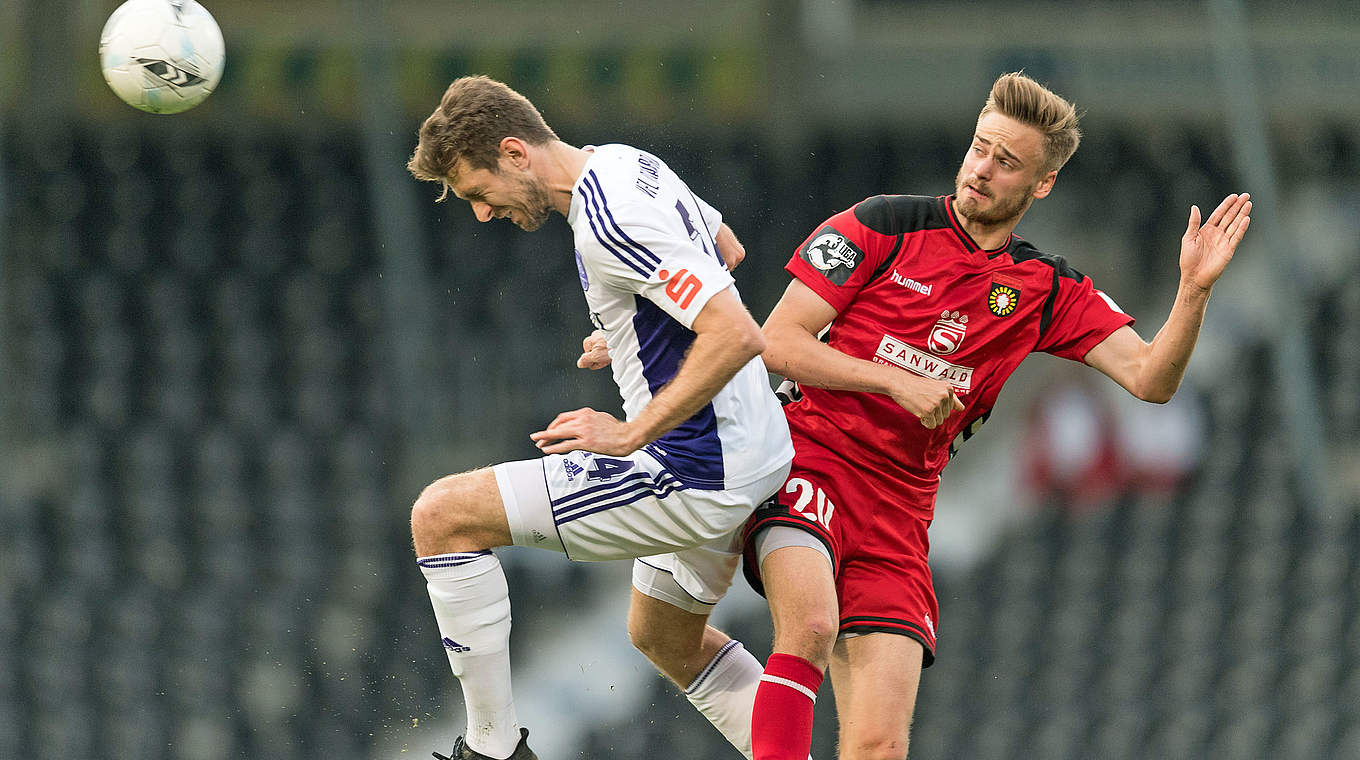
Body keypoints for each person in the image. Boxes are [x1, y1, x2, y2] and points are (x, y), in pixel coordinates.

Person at [706, 71, 1247, 760]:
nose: (982, 170)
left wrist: (1193, 294)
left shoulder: (1044, 287)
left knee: (878, 744)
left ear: (1041, 185)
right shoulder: (883, 223)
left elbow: (1150, 379)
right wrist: (893, 382)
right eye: (979, 148)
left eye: (1007, 161)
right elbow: (776, 342)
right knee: (810, 628)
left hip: (901, 511)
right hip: (811, 457)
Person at [403, 75, 794, 760]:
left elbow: (736, 334)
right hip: (758, 441)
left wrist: (631, 431)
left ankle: (492, 750)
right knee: (662, 635)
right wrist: (635, 338)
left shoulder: (610, 220)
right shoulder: (625, 162)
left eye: (476, 192)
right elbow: (722, 244)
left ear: (516, 152)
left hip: (698, 470)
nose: (482, 215)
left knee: (441, 517)